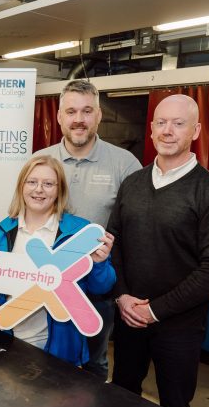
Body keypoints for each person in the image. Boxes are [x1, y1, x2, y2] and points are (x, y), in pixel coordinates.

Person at [107, 94, 209, 407]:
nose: (168, 131)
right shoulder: (132, 184)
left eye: (178, 124)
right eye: (161, 123)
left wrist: (154, 310)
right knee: (122, 395)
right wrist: (122, 296)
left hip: (179, 327)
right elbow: (114, 244)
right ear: (151, 129)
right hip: (128, 316)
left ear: (195, 131)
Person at [34, 79, 141, 378]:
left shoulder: (124, 164)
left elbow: (134, 231)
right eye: (71, 111)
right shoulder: (39, 161)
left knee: (94, 366)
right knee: (43, 360)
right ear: (58, 116)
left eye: (86, 111)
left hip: (96, 288)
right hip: (44, 283)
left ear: (98, 115)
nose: (78, 119)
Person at [0, 155, 116, 366]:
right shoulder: (1, 232)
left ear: (59, 190)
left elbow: (102, 287)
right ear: (21, 186)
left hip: (62, 347)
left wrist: (99, 263)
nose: (39, 189)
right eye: (32, 182)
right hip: (11, 339)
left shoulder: (79, 233)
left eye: (48, 184)